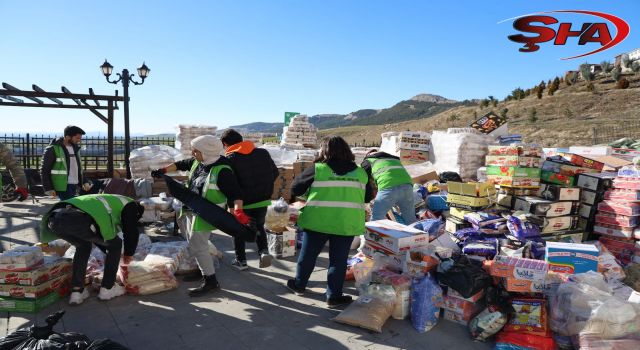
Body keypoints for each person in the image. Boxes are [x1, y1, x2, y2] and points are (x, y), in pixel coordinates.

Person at [286, 136, 375, 308]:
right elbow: (367, 196)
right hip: (345, 223)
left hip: (317, 221)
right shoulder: (360, 172)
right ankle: (333, 296)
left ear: (324, 150)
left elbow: (295, 188)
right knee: (338, 260)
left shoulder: (318, 169)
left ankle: (299, 285)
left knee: (308, 255)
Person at [152, 135, 245, 297]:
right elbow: (182, 164)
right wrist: (163, 171)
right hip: (191, 208)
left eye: (196, 151)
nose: (193, 153)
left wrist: (238, 211)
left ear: (207, 151)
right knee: (195, 243)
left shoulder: (223, 170)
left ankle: (211, 281)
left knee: (198, 245)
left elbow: (235, 193)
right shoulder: (199, 161)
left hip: (208, 213)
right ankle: (203, 269)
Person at [39, 194, 144, 305]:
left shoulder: (111, 200)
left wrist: (110, 253)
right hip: (77, 219)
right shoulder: (130, 204)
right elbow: (131, 231)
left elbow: (97, 238)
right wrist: (128, 254)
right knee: (116, 245)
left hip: (54, 220)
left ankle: (77, 291)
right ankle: (108, 288)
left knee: (83, 246)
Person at [220, 129, 279, 270]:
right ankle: (264, 251)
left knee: (238, 230)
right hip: (263, 199)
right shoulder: (263, 153)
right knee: (259, 226)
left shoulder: (230, 159)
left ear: (225, 144)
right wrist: (265, 187)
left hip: (241, 203)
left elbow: (230, 184)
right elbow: (275, 172)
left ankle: (241, 261)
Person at [361, 149, 416, 224]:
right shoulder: (394, 159)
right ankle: (417, 235)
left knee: (376, 219)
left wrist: (366, 199)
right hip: (408, 187)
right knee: (410, 220)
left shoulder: (369, 160)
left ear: (368, 155)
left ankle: (372, 235)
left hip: (388, 188)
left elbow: (363, 180)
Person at [41, 125, 91, 200]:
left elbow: (78, 168)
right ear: (68, 137)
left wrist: (85, 181)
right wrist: (49, 188)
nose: (79, 140)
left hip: (74, 184)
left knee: (69, 208)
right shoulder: (52, 149)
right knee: (69, 208)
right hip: (62, 187)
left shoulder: (75, 149)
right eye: (77, 138)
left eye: (80, 138)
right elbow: (44, 170)